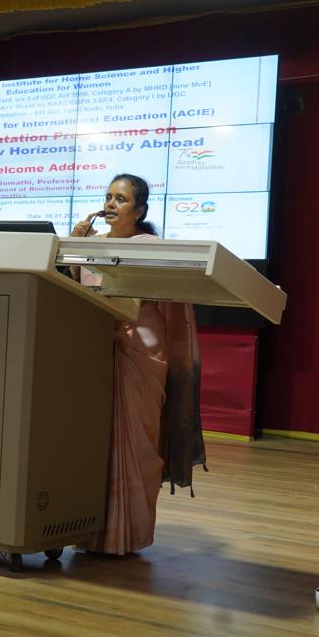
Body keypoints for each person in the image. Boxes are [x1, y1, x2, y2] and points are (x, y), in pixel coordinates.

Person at [70, 174, 204, 555]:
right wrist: (73, 245)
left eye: (121, 199)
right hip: (95, 348)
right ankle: (87, 528)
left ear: (140, 210)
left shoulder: (151, 247)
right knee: (93, 442)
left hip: (140, 351)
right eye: (108, 197)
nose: (110, 204)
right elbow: (76, 289)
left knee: (136, 441)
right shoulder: (90, 243)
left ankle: (126, 536)